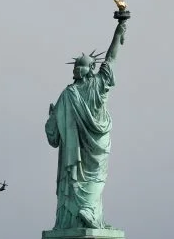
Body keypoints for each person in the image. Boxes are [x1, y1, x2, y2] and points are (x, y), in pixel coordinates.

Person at [45, 19, 126, 229]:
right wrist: (119, 31)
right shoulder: (98, 85)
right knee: (97, 178)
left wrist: (52, 117)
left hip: (76, 154)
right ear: (92, 69)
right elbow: (111, 59)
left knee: (78, 180)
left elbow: (53, 136)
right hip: (98, 145)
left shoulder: (67, 95)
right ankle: (89, 212)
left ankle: (86, 215)